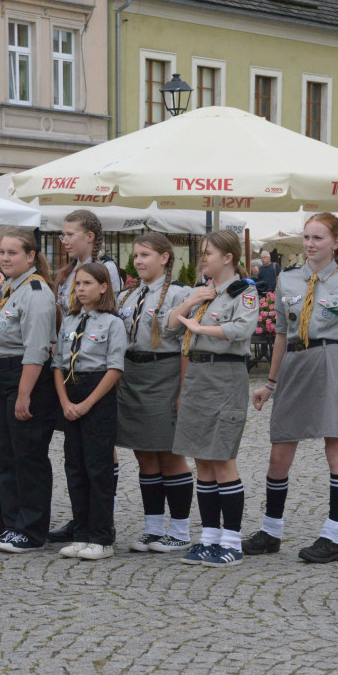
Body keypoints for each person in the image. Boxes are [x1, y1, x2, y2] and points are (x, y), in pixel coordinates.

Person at [245, 212, 338, 564]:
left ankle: (334, 537)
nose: (310, 244)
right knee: (279, 451)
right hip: (293, 363)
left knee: (335, 448)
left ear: (335, 242)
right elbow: (281, 334)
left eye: (318, 238)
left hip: (328, 360)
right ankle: (271, 530)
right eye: (306, 237)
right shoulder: (287, 279)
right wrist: (270, 384)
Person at [168, 229, 259, 567]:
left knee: (222, 458)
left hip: (225, 375)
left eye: (208, 253)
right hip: (197, 376)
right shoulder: (201, 292)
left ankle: (232, 541)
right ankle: (208, 537)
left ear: (228, 257)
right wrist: (190, 303)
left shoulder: (244, 291)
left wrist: (199, 328)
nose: (202, 258)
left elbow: (242, 329)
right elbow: (169, 325)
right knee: (202, 460)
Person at [0, 226, 59, 554]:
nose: (5, 258)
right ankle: (11, 521)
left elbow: (37, 348)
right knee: (6, 452)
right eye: (2, 252)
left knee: (27, 454)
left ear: (31, 256)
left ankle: (30, 529)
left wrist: (24, 394)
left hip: (24, 376)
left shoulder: (36, 291)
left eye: (12, 252)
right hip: (2, 374)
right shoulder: (13, 287)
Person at [116, 232, 194, 553]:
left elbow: (187, 345)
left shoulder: (180, 294)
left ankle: (180, 530)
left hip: (165, 374)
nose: (138, 261)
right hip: (132, 376)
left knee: (170, 454)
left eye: (145, 255)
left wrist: (183, 390)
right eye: (136, 255)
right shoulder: (128, 296)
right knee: (144, 454)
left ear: (164, 258)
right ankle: (152, 528)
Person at [50, 210, 123, 543]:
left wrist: (87, 402)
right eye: (77, 284)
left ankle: (101, 529)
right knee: (75, 464)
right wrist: (66, 401)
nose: (80, 289)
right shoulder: (70, 315)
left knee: (98, 463)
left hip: (97, 386)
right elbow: (59, 363)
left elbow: (114, 365)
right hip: (71, 384)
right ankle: (82, 525)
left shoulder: (111, 316)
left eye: (87, 284)